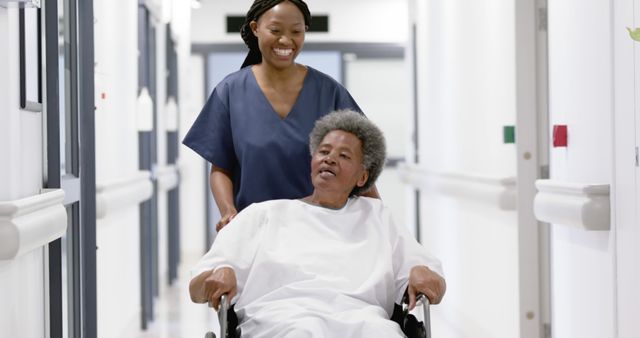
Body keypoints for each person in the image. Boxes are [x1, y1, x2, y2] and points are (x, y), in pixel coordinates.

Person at [189, 110, 446, 338]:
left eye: (344, 156)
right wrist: (217, 275)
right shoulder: (262, 215)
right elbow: (198, 286)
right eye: (323, 151)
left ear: (362, 177)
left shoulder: (378, 217)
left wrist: (423, 274)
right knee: (304, 331)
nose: (330, 159)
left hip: (364, 321)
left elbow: (432, 281)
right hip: (279, 321)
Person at [183, 0, 375, 231]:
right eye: (275, 30)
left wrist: (379, 221)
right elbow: (221, 169)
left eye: (296, 31)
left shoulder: (329, 92)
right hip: (254, 231)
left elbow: (360, 164)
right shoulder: (231, 91)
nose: (286, 40)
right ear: (255, 28)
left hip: (321, 230)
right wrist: (228, 211)